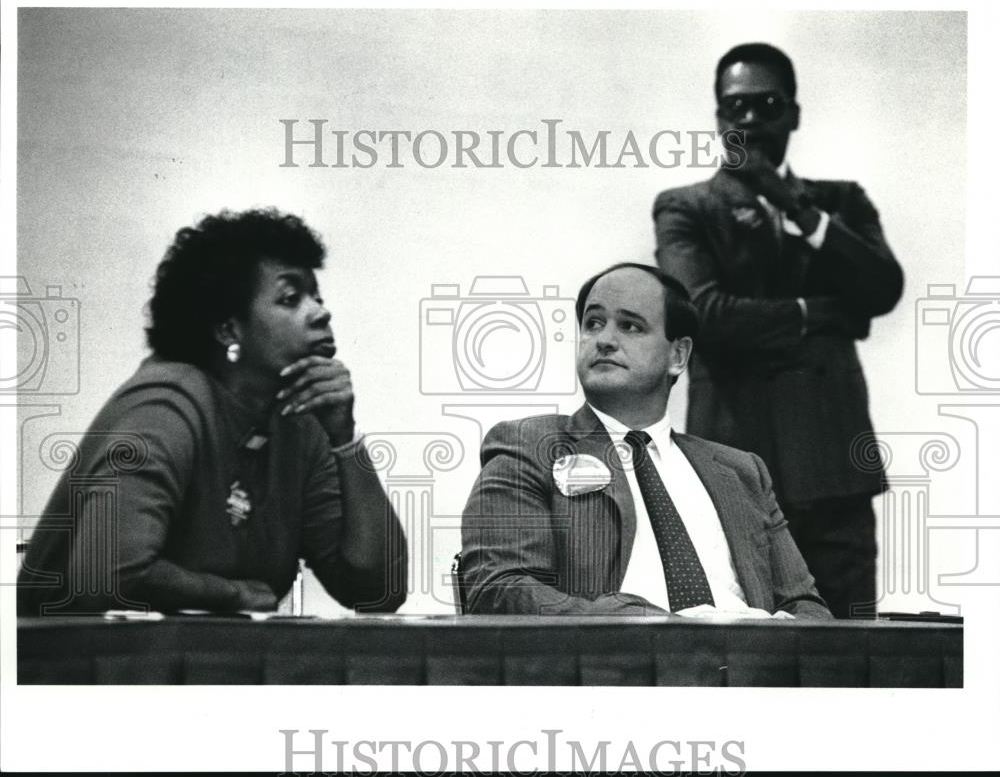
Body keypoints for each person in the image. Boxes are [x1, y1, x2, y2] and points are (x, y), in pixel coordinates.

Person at [18, 208, 407, 616]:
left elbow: (378, 593)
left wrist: (345, 440)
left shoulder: (299, 424)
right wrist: (235, 596)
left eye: (317, 297)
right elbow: (107, 579)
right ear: (228, 329)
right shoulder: (164, 406)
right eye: (291, 299)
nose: (320, 312)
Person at [652, 43, 904, 617]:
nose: (749, 120)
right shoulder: (686, 208)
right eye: (734, 107)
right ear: (718, 118)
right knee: (740, 663)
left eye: (766, 104)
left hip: (835, 474)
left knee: (850, 657)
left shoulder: (841, 203)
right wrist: (818, 314)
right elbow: (706, 316)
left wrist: (798, 209)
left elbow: (883, 288)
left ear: (793, 113)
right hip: (734, 474)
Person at [461, 262, 831, 619]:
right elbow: (499, 589)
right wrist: (658, 625)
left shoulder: (743, 471)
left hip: (747, 670)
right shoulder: (529, 445)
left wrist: (779, 635)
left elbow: (806, 605)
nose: (604, 340)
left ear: (678, 355)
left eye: (630, 326)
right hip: (614, 672)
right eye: (593, 323)